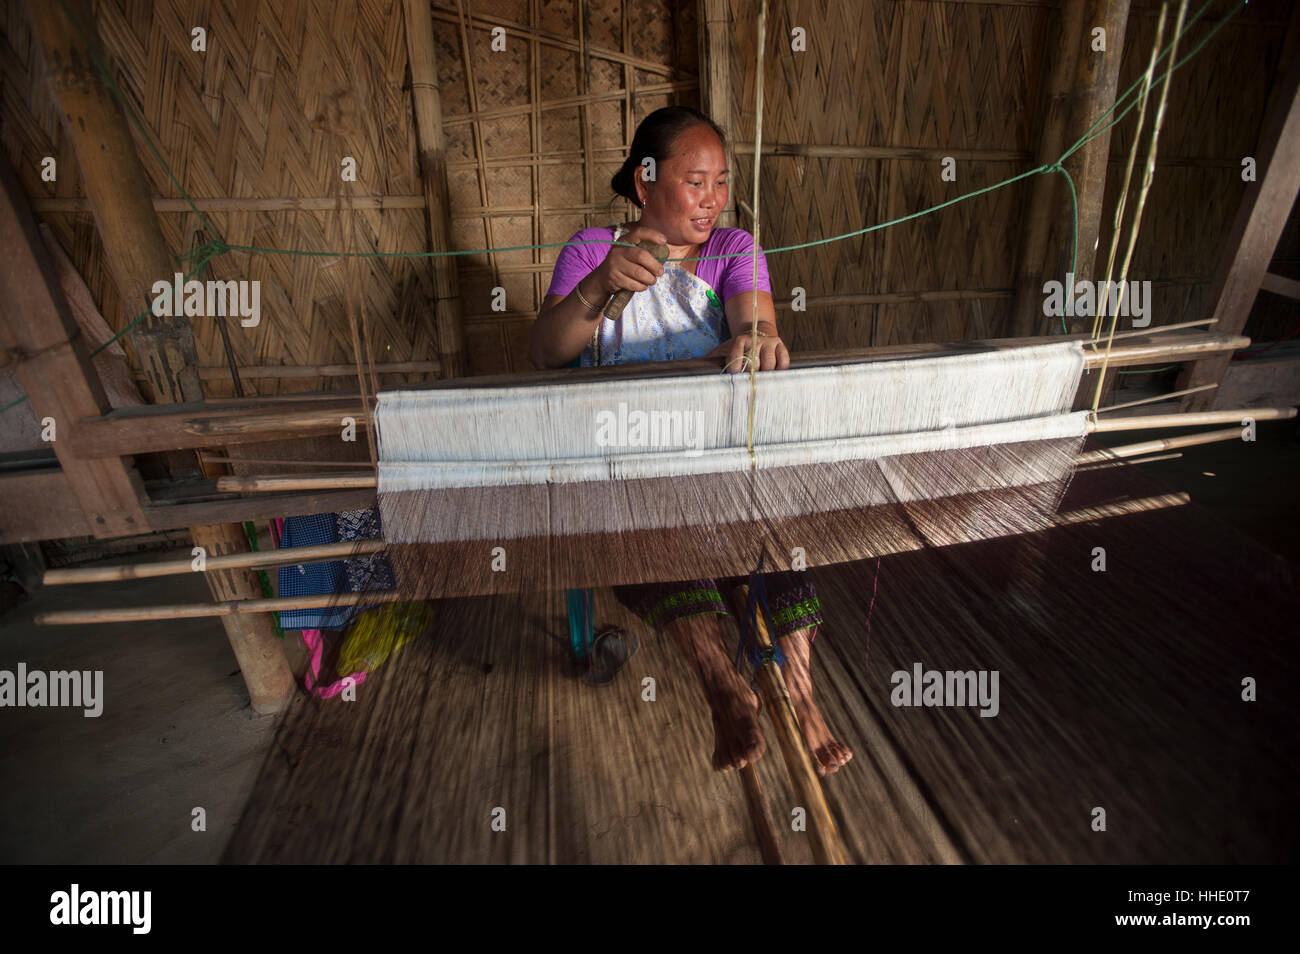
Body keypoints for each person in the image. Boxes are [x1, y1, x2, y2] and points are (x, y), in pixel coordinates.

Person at [530, 106, 851, 776]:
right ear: (645, 183)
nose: (713, 199)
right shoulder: (593, 250)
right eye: (696, 181)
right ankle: (721, 685)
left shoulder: (734, 249)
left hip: (717, 453)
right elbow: (546, 354)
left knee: (770, 540)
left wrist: (756, 337)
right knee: (655, 539)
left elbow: (756, 322)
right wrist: (596, 287)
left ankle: (801, 692)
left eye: (721, 183)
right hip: (627, 458)